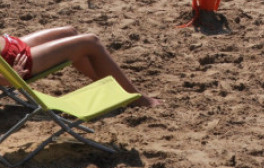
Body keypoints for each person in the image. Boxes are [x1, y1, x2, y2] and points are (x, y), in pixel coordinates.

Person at [0, 27, 161, 107]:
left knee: (71, 32)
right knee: (90, 42)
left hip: (12, 45)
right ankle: (134, 97)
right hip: (17, 62)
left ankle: (112, 88)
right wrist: (10, 77)